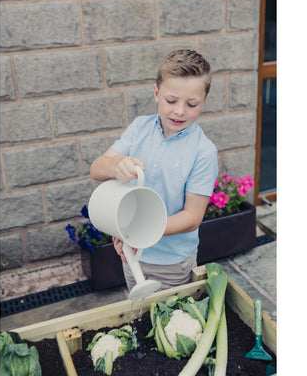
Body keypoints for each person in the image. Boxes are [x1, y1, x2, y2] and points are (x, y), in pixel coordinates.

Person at [90, 49, 218, 292]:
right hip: (131, 254)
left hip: (173, 262)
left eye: (191, 104)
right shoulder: (140, 128)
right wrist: (117, 165)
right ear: (156, 92)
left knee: (170, 313)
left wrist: (139, 232)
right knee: (139, 310)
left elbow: (192, 217)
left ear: (204, 100)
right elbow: (97, 169)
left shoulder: (203, 151)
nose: (179, 111)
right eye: (171, 101)